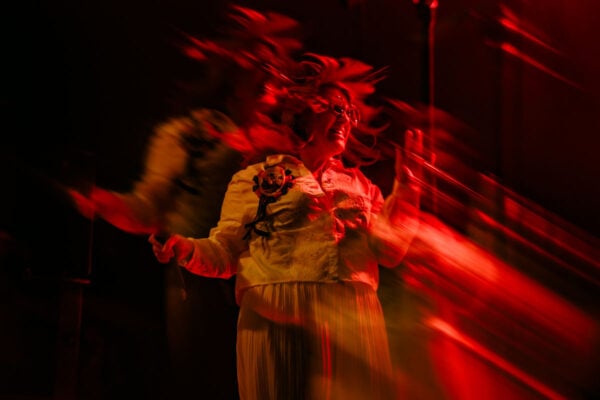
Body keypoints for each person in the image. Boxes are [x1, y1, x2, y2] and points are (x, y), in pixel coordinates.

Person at [150, 52, 422, 399]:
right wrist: (187, 248)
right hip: (275, 312)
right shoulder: (257, 178)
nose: (345, 118)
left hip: (351, 317)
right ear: (302, 112)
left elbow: (389, 250)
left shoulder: (361, 187)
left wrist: (407, 190)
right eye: (334, 108)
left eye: (350, 112)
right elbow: (226, 251)